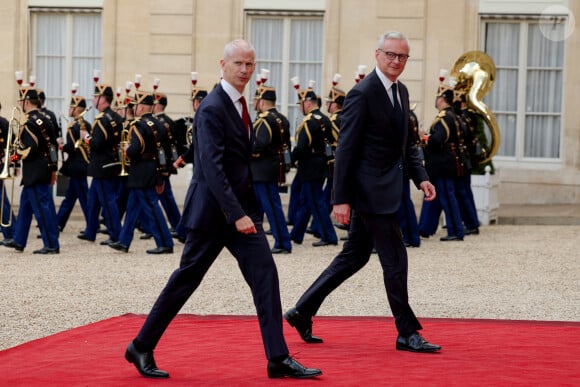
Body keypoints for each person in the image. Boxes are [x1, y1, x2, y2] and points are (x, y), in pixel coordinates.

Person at [124, 39, 322, 380]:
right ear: (223, 64)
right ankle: (141, 345)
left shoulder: (242, 104)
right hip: (215, 213)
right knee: (186, 280)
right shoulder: (213, 106)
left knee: (265, 276)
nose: (244, 70)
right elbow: (212, 168)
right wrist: (237, 214)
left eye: (249, 64)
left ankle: (277, 357)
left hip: (241, 211)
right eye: (238, 64)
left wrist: (247, 211)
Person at [284, 31, 441, 354]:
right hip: (369, 192)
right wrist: (340, 199)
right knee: (395, 259)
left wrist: (421, 177)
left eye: (402, 57)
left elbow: (407, 144)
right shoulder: (362, 93)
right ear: (377, 55)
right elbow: (345, 150)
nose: (396, 61)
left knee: (353, 257)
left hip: (388, 188)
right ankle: (406, 332)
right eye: (391, 55)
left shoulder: (401, 91)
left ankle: (302, 311)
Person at [109, 91, 174, 254]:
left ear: (142, 106)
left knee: (152, 207)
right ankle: (124, 241)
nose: (134, 109)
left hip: (141, 171)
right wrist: (163, 175)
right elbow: (165, 151)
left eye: (136, 106)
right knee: (132, 208)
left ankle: (165, 242)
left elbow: (135, 149)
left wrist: (126, 150)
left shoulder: (139, 125)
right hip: (152, 169)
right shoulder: (158, 123)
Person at [2, 87, 60, 254]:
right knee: (26, 207)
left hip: (35, 170)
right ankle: (19, 240)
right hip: (44, 168)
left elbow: (28, 149)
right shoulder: (45, 118)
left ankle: (51, 244)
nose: (20, 105)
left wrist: (11, 159)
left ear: (26, 102)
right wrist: (54, 168)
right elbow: (53, 147)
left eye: (21, 102)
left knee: (42, 209)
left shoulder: (28, 122)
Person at [289, 83, 338, 247]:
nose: (300, 108)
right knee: (306, 200)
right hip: (320, 164)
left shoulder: (308, 121)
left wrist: (289, 160)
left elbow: (301, 146)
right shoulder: (324, 119)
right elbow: (331, 143)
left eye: (301, 105)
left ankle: (328, 236)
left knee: (316, 202)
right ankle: (297, 233)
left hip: (309, 166)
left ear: (307, 103)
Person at [78, 83, 124, 245]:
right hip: (109, 163)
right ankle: (91, 231)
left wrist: (86, 137)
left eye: (96, 97)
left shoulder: (101, 119)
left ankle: (116, 235)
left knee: (107, 201)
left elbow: (97, 143)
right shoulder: (115, 117)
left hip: (102, 165)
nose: (93, 99)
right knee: (93, 200)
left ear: (103, 100)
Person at [251, 84, 292, 254]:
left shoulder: (264, 120)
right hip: (273, 167)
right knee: (266, 207)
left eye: (255, 99)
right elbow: (286, 145)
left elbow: (259, 145)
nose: (253, 103)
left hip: (262, 170)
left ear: (261, 101)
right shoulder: (282, 118)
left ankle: (282, 242)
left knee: (272, 208)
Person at [423, 82, 465, 241]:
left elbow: (438, 140)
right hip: (446, 161)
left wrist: (425, 137)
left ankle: (455, 231)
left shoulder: (444, 117)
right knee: (445, 196)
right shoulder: (452, 115)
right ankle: (428, 228)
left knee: (448, 197)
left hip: (442, 162)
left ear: (441, 99)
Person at [56, 95, 90, 232]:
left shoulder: (73, 126)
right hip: (80, 166)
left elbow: (72, 147)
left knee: (84, 199)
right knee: (70, 198)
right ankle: (58, 224)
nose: (69, 109)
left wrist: (62, 146)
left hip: (76, 167)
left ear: (77, 110)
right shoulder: (86, 124)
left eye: (71, 107)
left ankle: (93, 225)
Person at [0, 102, 16, 245]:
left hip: (0, 165)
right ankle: (13, 229)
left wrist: (11, 160)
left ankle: (9, 232)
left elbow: (15, 145)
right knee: (2, 199)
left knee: (1, 200)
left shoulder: (4, 123)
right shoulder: (4, 122)